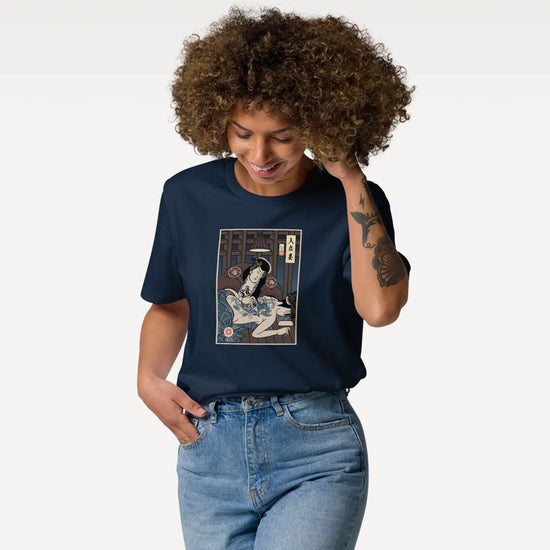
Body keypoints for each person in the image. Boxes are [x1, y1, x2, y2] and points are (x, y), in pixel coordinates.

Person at [137, 6, 414, 549]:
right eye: (243, 133)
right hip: (209, 448)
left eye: (283, 137)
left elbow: (380, 310)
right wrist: (148, 378)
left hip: (315, 446)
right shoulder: (187, 195)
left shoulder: (353, 202)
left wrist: (350, 178)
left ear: (318, 124)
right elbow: (172, 302)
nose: (259, 154)